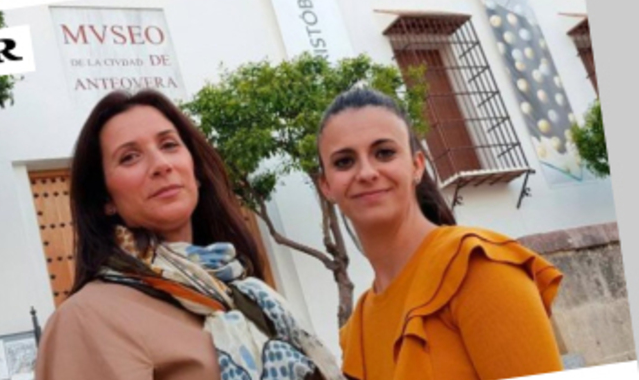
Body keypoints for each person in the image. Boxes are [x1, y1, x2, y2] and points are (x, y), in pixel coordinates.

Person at [35, 89, 343, 380]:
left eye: (169, 145)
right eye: (129, 157)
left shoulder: (245, 294)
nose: (161, 165)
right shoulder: (86, 319)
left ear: (195, 171)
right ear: (105, 199)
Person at [316, 87, 564, 380]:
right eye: (344, 161)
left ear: (416, 166)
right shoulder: (356, 331)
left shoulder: (478, 268)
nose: (367, 173)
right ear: (326, 186)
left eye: (384, 153)